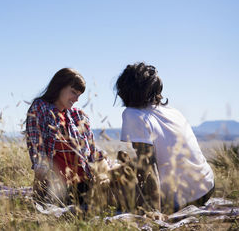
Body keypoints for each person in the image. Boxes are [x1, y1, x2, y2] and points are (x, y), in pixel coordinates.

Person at [115, 62, 215, 214]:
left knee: (116, 186)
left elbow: (149, 166)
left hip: (183, 198)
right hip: (206, 187)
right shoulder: (172, 111)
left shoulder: (133, 114)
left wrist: (155, 212)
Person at [25, 68, 107, 206]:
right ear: (59, 87)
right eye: (73, 92)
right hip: (56, 189)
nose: (76, 99)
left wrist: (106, 170)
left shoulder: (79, 115)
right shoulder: (40, 107)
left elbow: (93, 151)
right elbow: (37, 150)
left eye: (79, 95)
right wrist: (41, 194)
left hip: (85, 186)